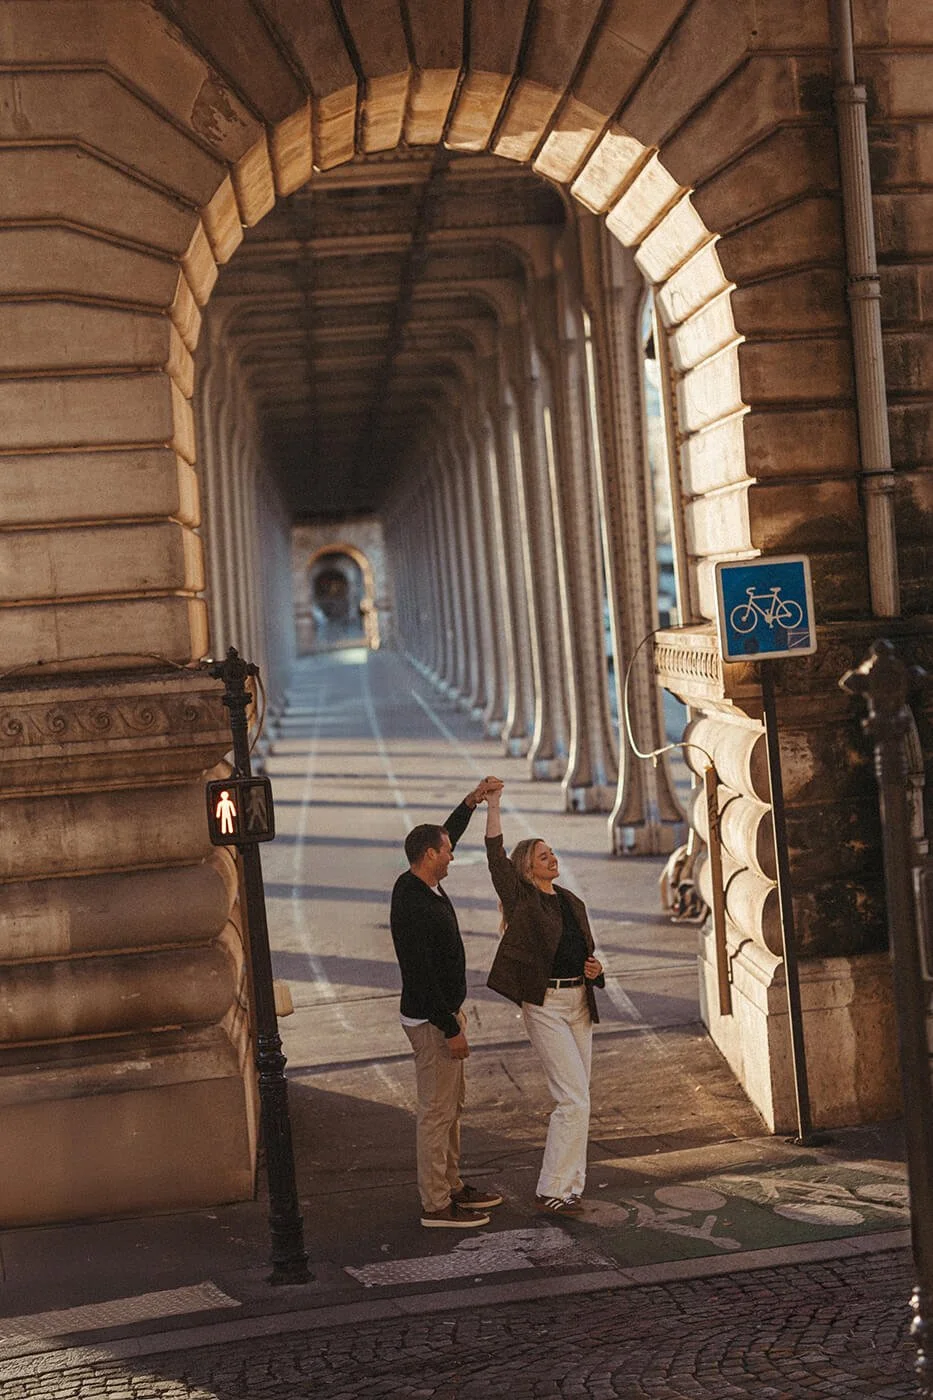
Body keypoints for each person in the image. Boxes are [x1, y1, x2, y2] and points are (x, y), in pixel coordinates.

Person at [390, 777, 506, 1228]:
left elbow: (445, 833)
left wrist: (470, 802)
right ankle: (436, 1204)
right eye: (447, 850)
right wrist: (451, 1027)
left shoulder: (420, 880)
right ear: (429, 857)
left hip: (442, 1014)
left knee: (452, 1107)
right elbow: (421, 975)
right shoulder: (413, 904)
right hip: (431, 1020)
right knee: (436, 1114)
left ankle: (453, 1184)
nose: (453, 853)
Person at [484, 783, 605, 1215]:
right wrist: (494, 805)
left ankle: (569, 1187)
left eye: (551, 852)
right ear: (527, 869)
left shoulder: (572, 902)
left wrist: (596, 971)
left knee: (580, 1099)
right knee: (573, 1099)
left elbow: (586, 954)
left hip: (579, 1005)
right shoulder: (523, 900)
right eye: (542, 855)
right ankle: (553, 1189)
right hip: (545, 1007)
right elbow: (495, 857)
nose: (551, 858)